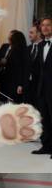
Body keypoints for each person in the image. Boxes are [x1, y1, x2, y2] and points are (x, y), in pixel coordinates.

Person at [32, 17, 52, 157]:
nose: (45, 28)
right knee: (44, 118)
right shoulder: (40, 46)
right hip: (42, 88)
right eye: (43, 25)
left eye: (48, 25)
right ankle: (46, 146)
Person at [0, 30, 29, 103]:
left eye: (11, 36)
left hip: (13, 82)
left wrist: (20, 84)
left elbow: (22, 68)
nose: (9, 37)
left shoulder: (20, 50)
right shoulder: (5, 46)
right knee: (2, 101)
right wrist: (0, 60)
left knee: (13, 102)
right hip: (2, 79)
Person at [25, 23, 42, 107]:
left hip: (40, 86)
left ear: (38, 33)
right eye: (29, 32)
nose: (29, 35)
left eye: (32, 33)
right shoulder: (27, 48)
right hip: (28, 86)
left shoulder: (45, 47)